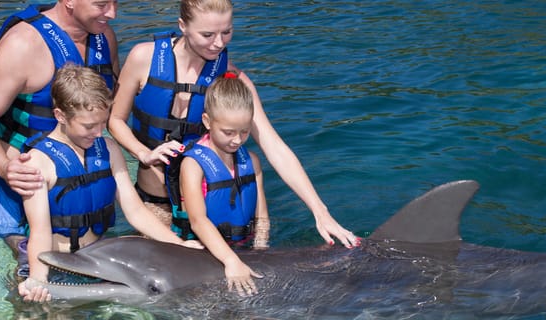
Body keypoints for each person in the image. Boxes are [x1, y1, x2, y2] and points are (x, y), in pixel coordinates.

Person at [107, 0, 360, 248]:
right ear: (183, 25)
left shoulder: (231, 78)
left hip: (209, 210)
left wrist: (320, 211)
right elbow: (116, 120)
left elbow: (275, 147)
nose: (218, 43)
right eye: (207, 34)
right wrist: (144, 153)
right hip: (156, 203)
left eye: (226, 32)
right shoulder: (144, 58)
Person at [16, 64, 202, 303]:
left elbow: (135, 211)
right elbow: (39, 231)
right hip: (53, 263)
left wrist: (179, 246)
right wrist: (39, 280)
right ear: (60, 116)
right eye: (88, 126)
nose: (98, 132)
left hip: (94, 264)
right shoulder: (36, 163)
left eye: (102, 123)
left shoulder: (109, 149)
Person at [0, 0, 120, 274]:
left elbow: (107, 109)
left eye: (115, 2)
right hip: (24, 191)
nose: (113, 13)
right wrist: (5, 167)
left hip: (78, 191)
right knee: (33, 291)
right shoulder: (22, 45)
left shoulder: (103, 37)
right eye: (101, 4)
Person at [177, 73, 268, 296]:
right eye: (228, 132)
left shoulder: (252, 161)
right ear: (208, 122)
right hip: (202, 253)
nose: (237, 140)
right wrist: (230, 260)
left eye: (245, 132)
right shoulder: (193, 165)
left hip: (243, 248)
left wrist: (261, 251)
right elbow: (198, 221)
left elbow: (262, 216)